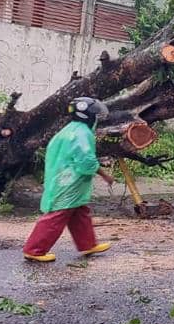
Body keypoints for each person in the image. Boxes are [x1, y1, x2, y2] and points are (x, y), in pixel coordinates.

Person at [22, 97, 115, 262]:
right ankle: (34, 250)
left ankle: (88, 244)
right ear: (88, 116)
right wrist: (105, 175)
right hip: (68, 181)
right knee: (58, 214)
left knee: (79, 211)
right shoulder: (82, 134)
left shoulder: (68, 130)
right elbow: (86, 161)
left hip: (62, 178)